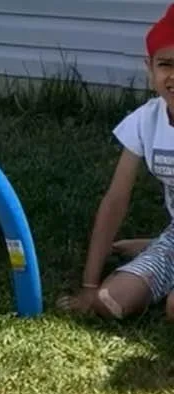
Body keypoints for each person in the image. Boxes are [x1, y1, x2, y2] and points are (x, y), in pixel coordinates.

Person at [58, 3, 174, 320]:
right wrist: (90, 284)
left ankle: (154, 245)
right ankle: (159, 244)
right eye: (166, 64)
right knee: (109, 302)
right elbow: (115, 200)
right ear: (149, 67)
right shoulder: (146, 120)